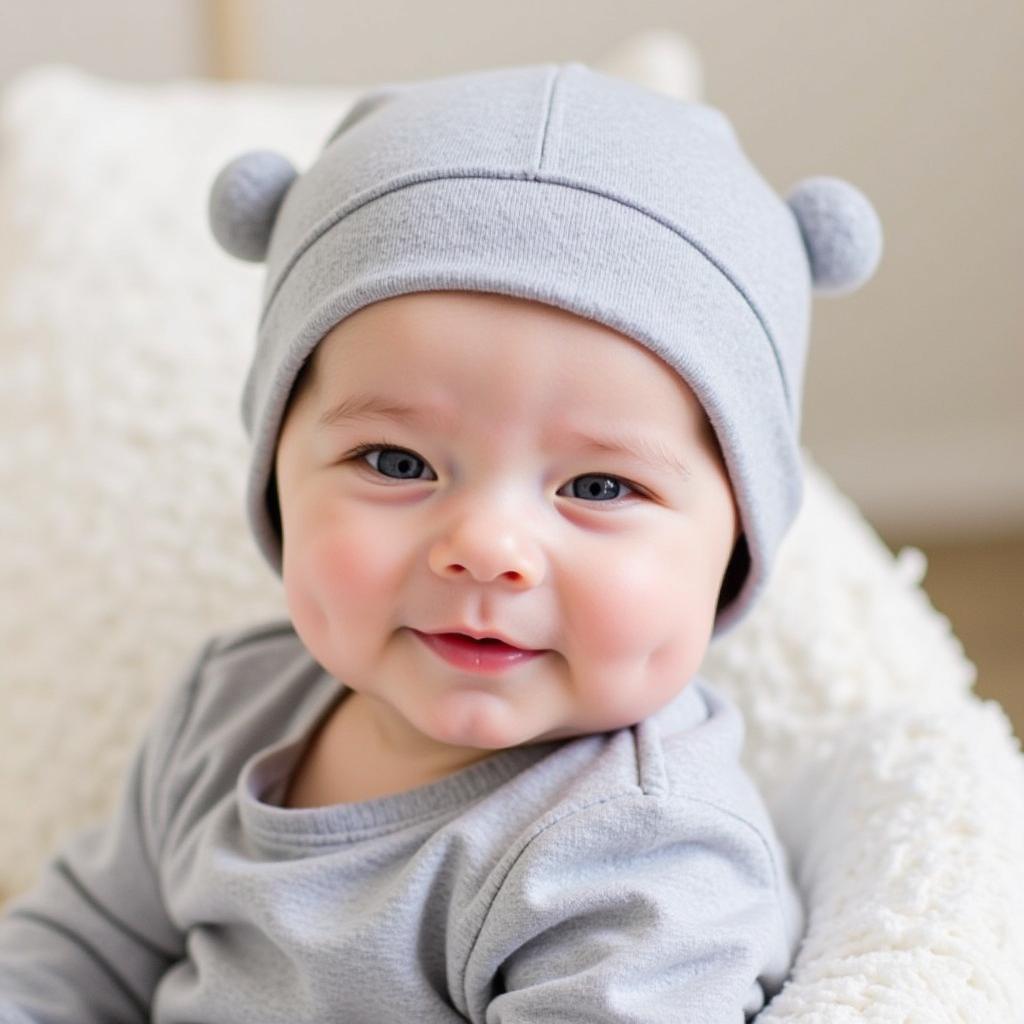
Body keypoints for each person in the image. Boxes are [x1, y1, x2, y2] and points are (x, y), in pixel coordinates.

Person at [0, 61, 881, 1021]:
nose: (486, 548)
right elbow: (79, 948)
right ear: (278, 478)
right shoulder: (229, 706)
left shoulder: (644, 858)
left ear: (736, 547)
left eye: (596, 486)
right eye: (395, 461)